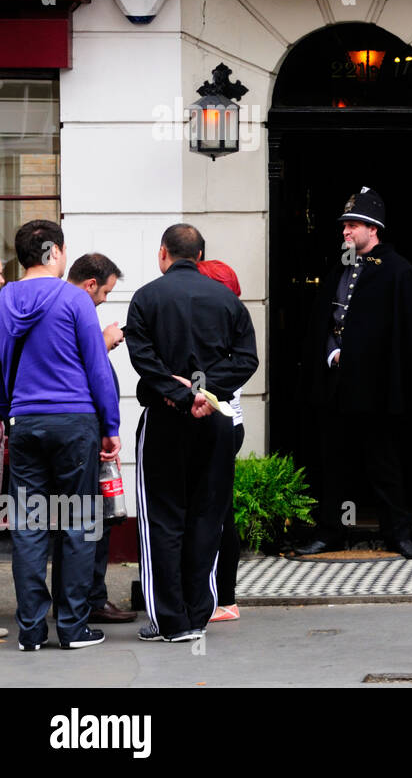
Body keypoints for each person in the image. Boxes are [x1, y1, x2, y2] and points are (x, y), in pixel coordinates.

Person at [124, 223, 258, 643]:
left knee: (163, 518)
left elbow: (142, 358)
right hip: (214, 419)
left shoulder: (146, 297)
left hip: (165, 419)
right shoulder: (227, 300)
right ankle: (198, 614)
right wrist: (204, 392)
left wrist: (180, 394)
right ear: (200, 256)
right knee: (208, 515)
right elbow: (247, 359)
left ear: (163, 252)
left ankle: (171, 620)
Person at [0, 221, 121, 650]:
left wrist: (7, 418)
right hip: (74, 424)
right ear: (53, 251)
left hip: (25, 422)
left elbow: (1, 366)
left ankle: (30, 632)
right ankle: (73, 627)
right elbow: (96, 368)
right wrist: (111, 427)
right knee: (77, 523)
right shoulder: (74, 298)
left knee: (29, 525)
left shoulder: (6, 298)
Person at [296, 187, 412, 559]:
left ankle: (398, 534)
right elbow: (325, 324)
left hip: (376, 390)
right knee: (334, 464)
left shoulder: (399, 272)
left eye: (352, 225)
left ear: (373, 229)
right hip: (337, 386)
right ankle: (330, 532)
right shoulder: (338, 267)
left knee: (384, 465)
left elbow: (403, 338)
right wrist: (333, 353)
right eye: (344, 225)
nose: (345, 231)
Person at [63, 252, 136, 625]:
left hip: (47, 428)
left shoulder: (49, 305)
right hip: (82, 431)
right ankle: (89, 601)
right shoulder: (79, 311)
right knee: (94, 517)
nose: (106, 298)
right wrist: (103, 340)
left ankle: (71, 602)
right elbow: (92, 374)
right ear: (91, 284)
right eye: (105, 291)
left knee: (64, 517)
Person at [198, 259, 244, 622]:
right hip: (230, 422)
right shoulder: (231, 317)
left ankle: (223, 598)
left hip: (219, 421)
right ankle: (221, 596)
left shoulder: (221, 321)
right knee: (219, 511)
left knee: (216, 513)